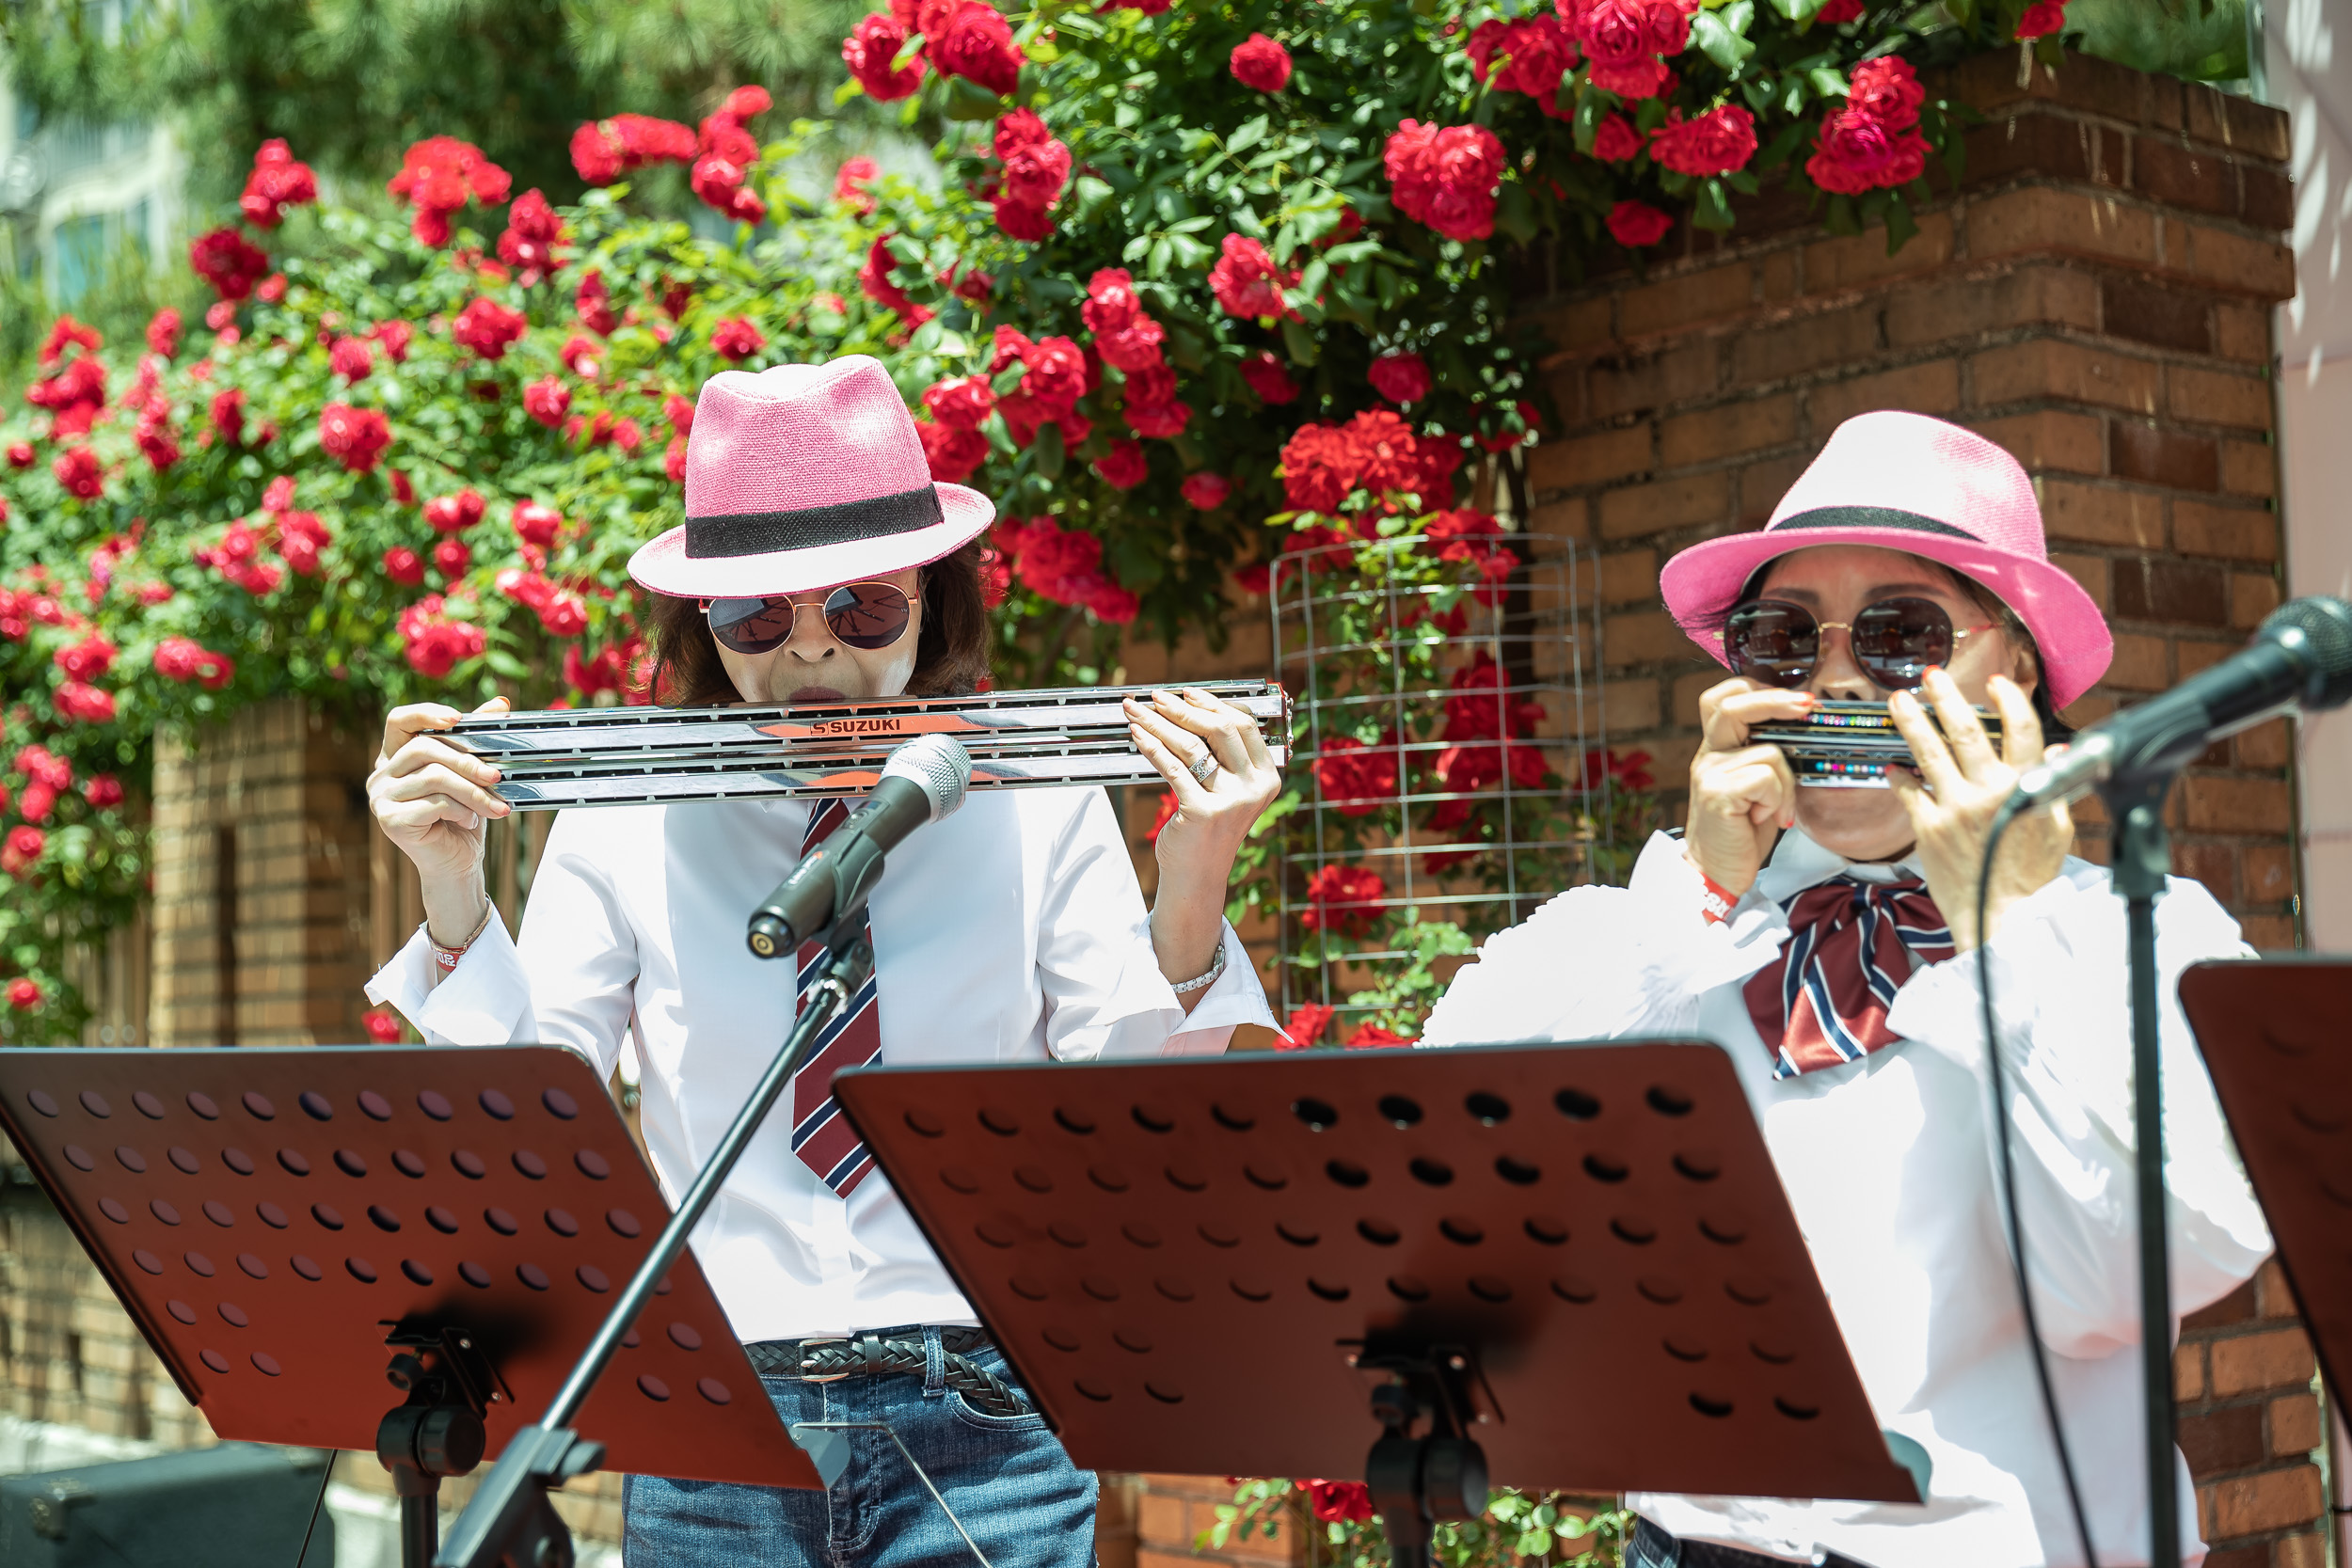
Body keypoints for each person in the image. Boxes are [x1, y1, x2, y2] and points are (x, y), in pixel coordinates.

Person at [362, 356, 1282, 1568]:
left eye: (859, 609)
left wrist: (1198, 865)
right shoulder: (627, 813)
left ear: (927, 592)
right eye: (755, 618)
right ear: (703, 625)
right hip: (719, 1408)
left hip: (985, 1408)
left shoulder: (1031, 802)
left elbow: (1129, 1107)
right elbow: (539, 1121)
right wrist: (450, 889)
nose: (809, 658)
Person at [1422, 412, 2272, 1568]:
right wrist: (1702, 897)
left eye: (1899, 632)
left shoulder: (2142, 928)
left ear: (2013, 664)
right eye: (1781, 638)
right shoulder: (1662, 921)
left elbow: (2129, 1280)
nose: (1833, 678)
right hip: (1690, 1545)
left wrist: (2007, 935)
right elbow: (1452, 1136)